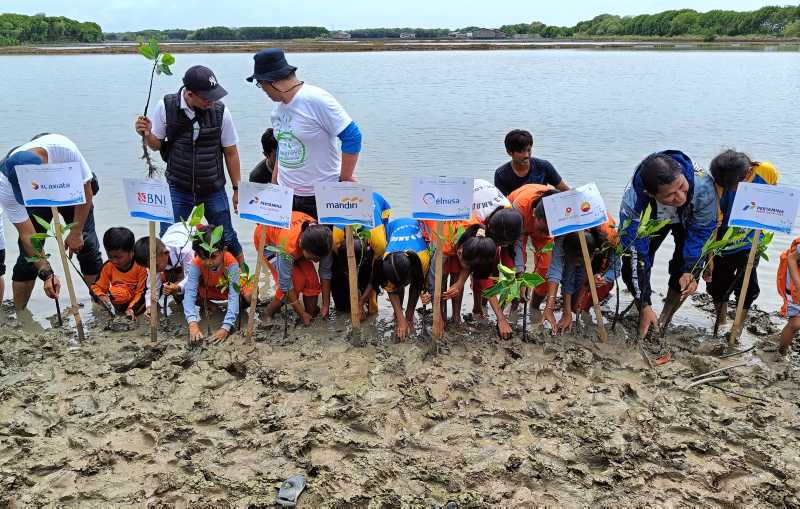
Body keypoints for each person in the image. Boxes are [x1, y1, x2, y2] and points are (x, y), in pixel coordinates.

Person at [135, 65, 243, 261]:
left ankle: (242, 281)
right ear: (190, 94)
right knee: (171, 238)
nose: (212, 101)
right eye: (207, 97)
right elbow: (156, 145)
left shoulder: (221, 111)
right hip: (178, 185)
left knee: (226, 235)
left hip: (212, 186)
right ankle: (176, 285)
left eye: (214, 95)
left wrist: (237, 189)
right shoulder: (166, 106)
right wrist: (147, 133)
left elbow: (231, 152)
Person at [248, 48, 362, 218]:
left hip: (320, 194)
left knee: (325, 243)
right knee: (287, 243)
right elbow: (284, 146)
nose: (263, 90)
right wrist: (275, 181)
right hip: (287, 193)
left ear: (273, 81)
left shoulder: (316, 99)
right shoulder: (277, 112)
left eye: (261, 84)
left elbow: (352, 136)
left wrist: (344, 180)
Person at [619, 150, 718, 338]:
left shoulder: (703, 187)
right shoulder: (634, 202)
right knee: (638, 261)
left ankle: (664, 319)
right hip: (653, 218)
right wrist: (644, 303)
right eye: (670, 194)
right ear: (651, 194)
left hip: (690, 217)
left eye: (681, 186)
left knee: (686, 270)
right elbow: (634, 254)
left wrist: (690, 268)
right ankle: (645, 311)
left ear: (682, 173)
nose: (679, 197)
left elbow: (701, 232)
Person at [1, 133, 103, 310]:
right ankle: (21, 313)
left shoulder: (64, 150)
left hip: (71, 189)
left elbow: (86, 190)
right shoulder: (4, 182)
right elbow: (27, 235)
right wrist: (46, 272)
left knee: (87, 246)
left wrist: (76, 232)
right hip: (36, 201)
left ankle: (100, 306)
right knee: (28, 258)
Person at [707, 150, 779, 329]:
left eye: (734, 185)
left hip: (750, 241)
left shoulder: (765, 172)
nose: (730, 188)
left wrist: (761, 243)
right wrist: (709, 258)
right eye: (726, 185)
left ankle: (737, 328)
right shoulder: (719, 184)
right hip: (722, 242)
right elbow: (714, 223)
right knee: (717, 285)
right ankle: (722, 321)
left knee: (748, 288)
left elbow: (773, 200)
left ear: (747, 172)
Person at [542, 219, 619, 334]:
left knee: (583, 300)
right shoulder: (565, 235)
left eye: (579, 259)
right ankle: (573, 311)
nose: (576, 262)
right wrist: (565, 312)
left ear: (593, 253)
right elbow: (566, 276)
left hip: (599, 258)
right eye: (574, 259)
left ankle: (586, 308)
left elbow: (616, 269)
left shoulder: (611, 237)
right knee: (573, 303)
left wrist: (603, 278)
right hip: (579, 248)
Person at [255, 211, 334, 325]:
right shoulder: (288, 247)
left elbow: (325, 272)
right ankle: (268, 312)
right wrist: (301, 314)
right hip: (269, 244)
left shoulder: (324, 241)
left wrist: (326, 305)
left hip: (295, 241)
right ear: (302, 246)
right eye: (314, 258)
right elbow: (285, 283)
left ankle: (310, 313)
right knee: (297, 281)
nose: (317, 261)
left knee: (311, 278)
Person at [365, 218, 430, 340]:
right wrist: (400, 319)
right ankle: (398, 314)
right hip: (393, 228)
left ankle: (409, 316)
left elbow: (416, 286)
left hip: (416, 230)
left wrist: (409, 317)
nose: (400, 286)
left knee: (414, 285)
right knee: (396, 287)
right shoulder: (386, 261)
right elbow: (391, 289)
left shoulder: (422, 259)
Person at [183, 225, 248, 344]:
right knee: (181, 291)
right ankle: (210, 305)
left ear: (223, 250)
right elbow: (190, 293)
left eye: (213, 257)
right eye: (203, 257)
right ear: (197, 253)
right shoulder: (196, 263)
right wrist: (192, 323)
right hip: (208, 292)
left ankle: (236, 313)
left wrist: (225, 327)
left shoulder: (231, 263)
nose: (208, 262)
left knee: (249, 294)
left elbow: (234, 296)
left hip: (226, 291)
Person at [331, 192, 391, 318]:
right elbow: (347, 270)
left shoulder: (378, 243)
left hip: (378, 206)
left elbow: (374, 275)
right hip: (347, 204)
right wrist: (356, 299)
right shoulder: (336, 238)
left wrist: (361, 302)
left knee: (370, 277)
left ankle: (371, 304)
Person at [508, 184, 560, 313]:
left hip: (543, 223)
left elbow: (556, 260)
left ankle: (534, 308)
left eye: (548, 231)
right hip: (516, 222)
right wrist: (521, 276)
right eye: (543, 229)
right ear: (534, 214)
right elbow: (517, 245)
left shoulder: (558, 215)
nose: (544, 233)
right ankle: (514, 305)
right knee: (512, 267)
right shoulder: (519, 207)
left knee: (545, 269)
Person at [133, 222, 196, 315]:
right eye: (149, 268)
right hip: (172, 237)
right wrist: (150, 306)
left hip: (191, 235)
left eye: (155, 266)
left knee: (189, 285)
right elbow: (152, 287)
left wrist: (178, 287)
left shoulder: (185, 250)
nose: (153, 270)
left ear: (166, 253)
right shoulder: (153, 261)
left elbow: (192, 276)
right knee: (171, 284)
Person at [91, 227, 147, 318]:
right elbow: (96, 286)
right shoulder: (108, 266)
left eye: (119, 257)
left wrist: (131, 309)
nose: (114, 261)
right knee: (116, 293)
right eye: (110, 256)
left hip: (139, 304)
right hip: (118, 301)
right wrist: (101, 296)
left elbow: (142, 292)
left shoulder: (141, 266)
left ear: (132, 251)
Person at [494, 129, 569, 197]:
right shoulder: (501, 174)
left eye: (529, 150)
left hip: (541, 208)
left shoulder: (544, 166)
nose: (526, 155)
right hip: (517, 208)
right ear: (509, 152)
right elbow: (502, 204)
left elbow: (566, 191)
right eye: (521, 151)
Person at [777, 237, 800, 356]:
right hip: (794, 284)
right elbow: (791, 258)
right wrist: (798, 284)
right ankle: (781, 352)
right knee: (795, 323)